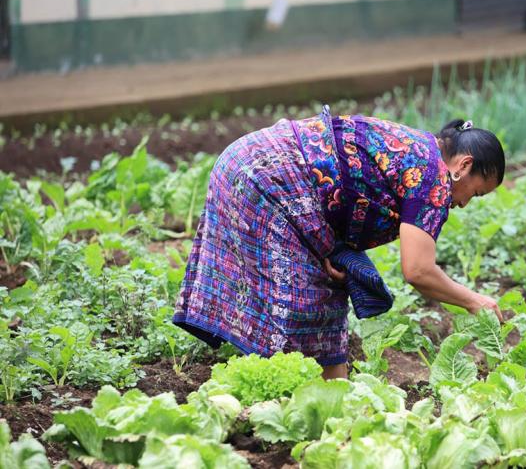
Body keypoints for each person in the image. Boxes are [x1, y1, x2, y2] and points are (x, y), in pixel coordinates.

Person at [173, 105, 505, 379]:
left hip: (248, 162)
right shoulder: (433, 177)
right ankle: (280, 395)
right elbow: (418, 270)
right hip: (266, 178)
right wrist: (474, 301)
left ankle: (332, 401)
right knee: (302, 303)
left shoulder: (420, 149)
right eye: (475, 193)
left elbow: (352, 180)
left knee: (324, 293)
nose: (464, 203)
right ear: (464, 165)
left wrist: (329, 245)